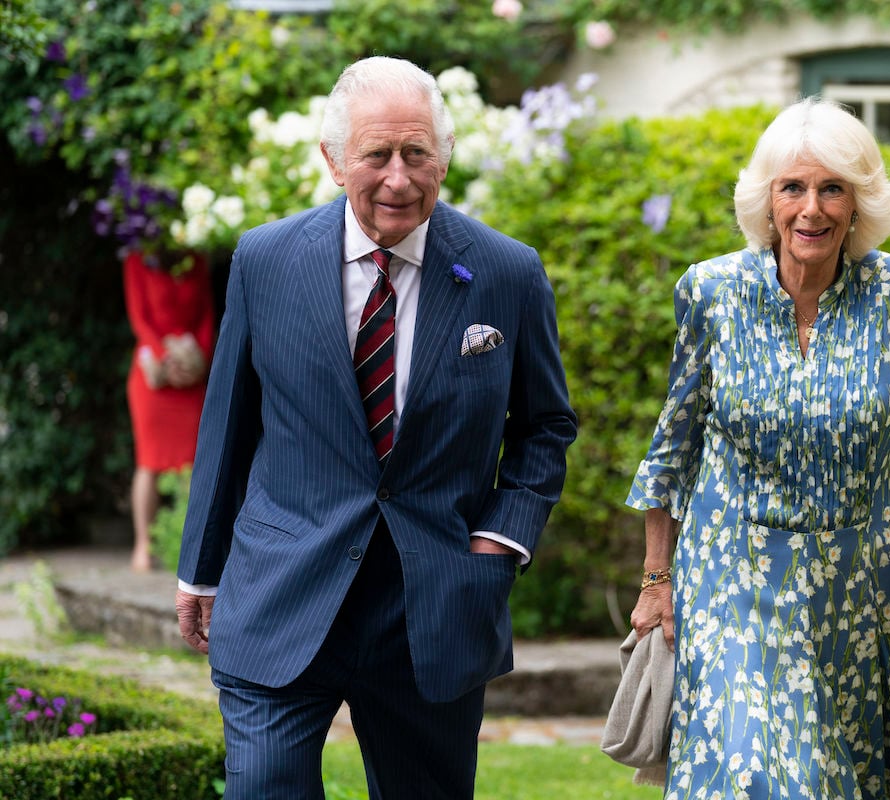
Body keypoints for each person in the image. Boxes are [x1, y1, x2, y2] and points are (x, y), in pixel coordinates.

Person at [174, 56, 576, 799]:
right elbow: (228, 424)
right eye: (377, 155)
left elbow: (546, 427)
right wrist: (201, 567)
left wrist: (499, 540)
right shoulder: (263, 261)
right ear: (332, 161)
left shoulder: (506, 274)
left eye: (417, 153)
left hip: (433, 604)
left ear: (444, 158)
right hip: (283, 589)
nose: (399, 177)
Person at [626, 97, 890, 798]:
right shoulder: (711, 292)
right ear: (767, 202)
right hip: (733, 572)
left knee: (880, 773)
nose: (812, 209)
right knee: (766, 770)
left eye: (833, 188)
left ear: (859, 203)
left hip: (863, 582)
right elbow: (673, 447)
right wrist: (657, 580)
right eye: (793, 188)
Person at [123, 249, 213, 572]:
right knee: (149, 461)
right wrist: (164, 358)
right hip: (153, 377)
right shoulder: (137, 259)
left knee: (194, 462)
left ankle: (191, 548)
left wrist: (200, 360)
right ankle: (143, 546)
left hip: (191, 373)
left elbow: (206, 315)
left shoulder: (195, 259)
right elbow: (139, 319)